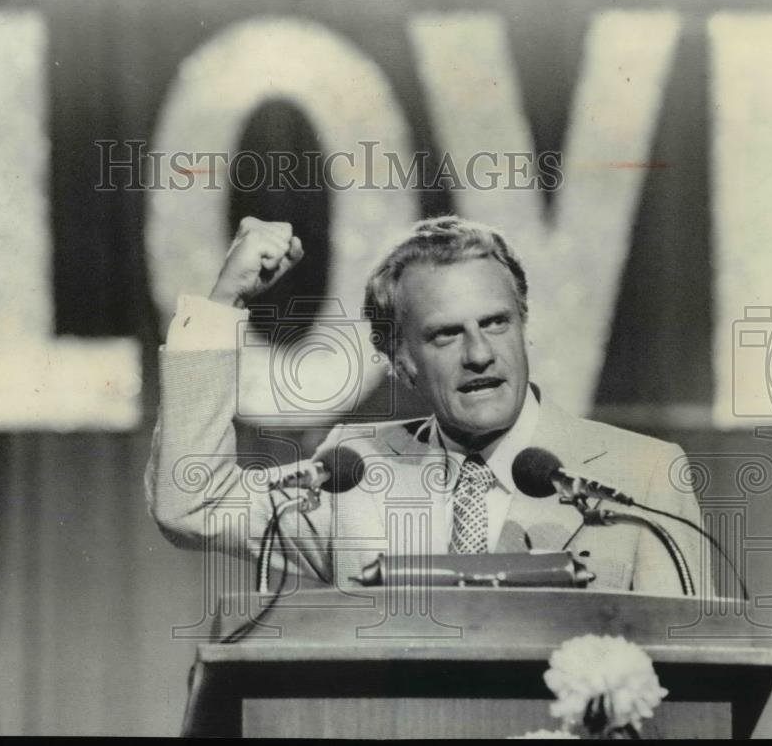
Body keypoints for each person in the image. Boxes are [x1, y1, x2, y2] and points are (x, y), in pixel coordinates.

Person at [146, 215, 711, 596]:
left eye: (495, 323)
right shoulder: (355, 468)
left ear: (523, 326)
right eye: (445, 335)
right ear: (399, 360)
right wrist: (223, 303)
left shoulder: (644, 475)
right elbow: (193, 502)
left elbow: (686, 685)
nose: (480, 354)